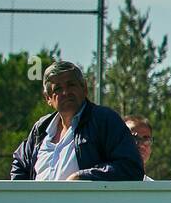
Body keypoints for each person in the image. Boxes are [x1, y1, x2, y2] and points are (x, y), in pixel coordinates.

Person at [11, 61, 144, 181]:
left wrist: (83, 177)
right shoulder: (41, 129)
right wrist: (22, 199)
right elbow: (20, 163)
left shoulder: (103, 120)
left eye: (71, 85)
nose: (65, 92)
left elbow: (131, 167)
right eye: (57, 88)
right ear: (48, 98)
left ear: (84, 88)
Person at [124, 114, 155, 180]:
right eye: (133, 138)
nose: (141, 145)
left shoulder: (156, 188)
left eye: (146, 139)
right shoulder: (103, 185)